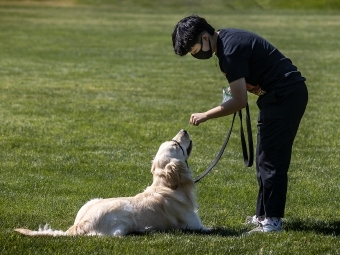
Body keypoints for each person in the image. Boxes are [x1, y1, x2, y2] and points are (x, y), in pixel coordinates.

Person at [171, 14, 308, 234]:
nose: (195, 55)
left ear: (205, 37)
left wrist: (205, 114)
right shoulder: (227, 41)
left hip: (285, 96)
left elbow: (239, 101)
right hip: (280, 94)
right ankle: (262, 216)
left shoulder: (230, 52)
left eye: (194, 50)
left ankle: (272, 222)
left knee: (272, 160)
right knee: (265, 159)